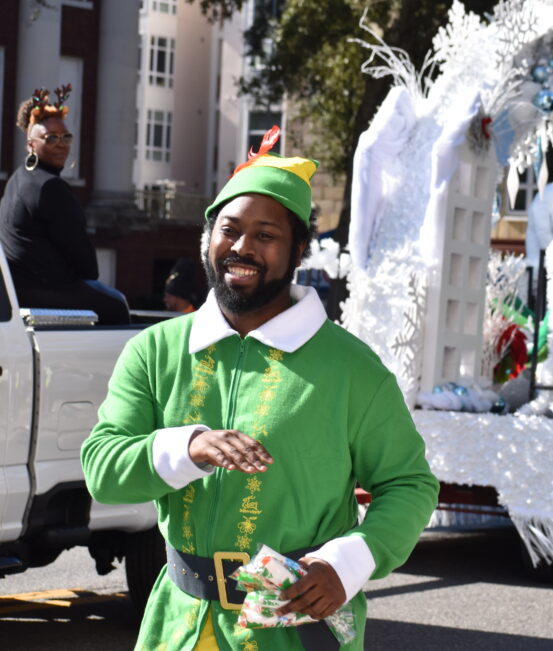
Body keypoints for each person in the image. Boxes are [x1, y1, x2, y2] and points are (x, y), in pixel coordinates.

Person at [81, 127, 439, 650]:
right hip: (177, 627)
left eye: (266, 235)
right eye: (230, 229)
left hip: (294, 628)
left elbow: (410, 484)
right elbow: (103, 469)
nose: (242, 247)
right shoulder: (155, 350)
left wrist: (347, 563)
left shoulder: (351, 367)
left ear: (298, 250)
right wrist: (187, 447)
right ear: (208, 238)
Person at [0, 87, 130, 324]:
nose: (61, 144)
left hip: (19, 293)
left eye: (66, 137)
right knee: (117, 305)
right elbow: (87, 265)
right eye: (50, 138)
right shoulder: (50, 187)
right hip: (45, 292)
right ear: (31, 145)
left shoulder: (17, 179)